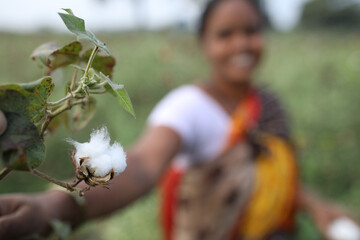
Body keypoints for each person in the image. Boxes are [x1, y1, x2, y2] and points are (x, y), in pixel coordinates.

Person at [0, 0, 353, 239]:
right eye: (225, 34)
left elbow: (274, 173)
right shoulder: (187, 107)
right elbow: (140, 165)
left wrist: (317, 206)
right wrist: (58, 205)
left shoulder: (267, 103)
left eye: (251, 30)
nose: (242, 44)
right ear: (204, 44)